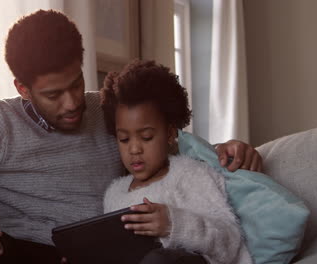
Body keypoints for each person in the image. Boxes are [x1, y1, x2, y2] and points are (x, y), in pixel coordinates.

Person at [0, 10, 262, 264]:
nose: (73, 103)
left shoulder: (103, 106)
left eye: (77, 82)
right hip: (28, 254)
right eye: (53, 95)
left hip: (109, 253)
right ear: (23, 88)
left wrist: (226, 150)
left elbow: (164, 144)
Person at [101, 60, 252, 264]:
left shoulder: (189, 174)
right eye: (124, 139)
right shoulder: (114, 194)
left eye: (146, 137)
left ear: (170, 133)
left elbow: (229, 241)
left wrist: (173, 223)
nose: (134, 149)